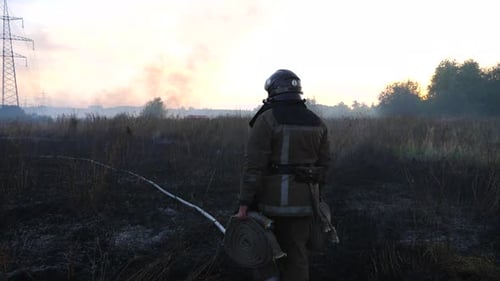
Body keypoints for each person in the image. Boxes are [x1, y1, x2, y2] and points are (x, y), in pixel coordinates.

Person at [236, 69, 331, 281]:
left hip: (270, 205)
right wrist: (317, 198)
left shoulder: (267, 120)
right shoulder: (317, 122)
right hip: (306, 204)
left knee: (263, 253)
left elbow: (254, 165)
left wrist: (244, 204)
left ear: (273, 91)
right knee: (297, 256)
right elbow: (324, 165)